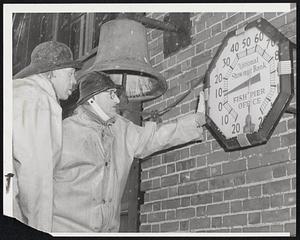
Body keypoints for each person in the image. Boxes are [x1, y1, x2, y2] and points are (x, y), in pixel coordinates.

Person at [52, 71, 206, 232]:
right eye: (111, 94)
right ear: (92, 98)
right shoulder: (61, 132)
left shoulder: (121, 129)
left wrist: (197, 120)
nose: (117, 100)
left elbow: (156, 137)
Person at [13, 41, 82, 232]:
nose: (75, 82)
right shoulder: (40, 100)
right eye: (70, 73)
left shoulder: (15, 92)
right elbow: (36, 176)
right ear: (50, 73)